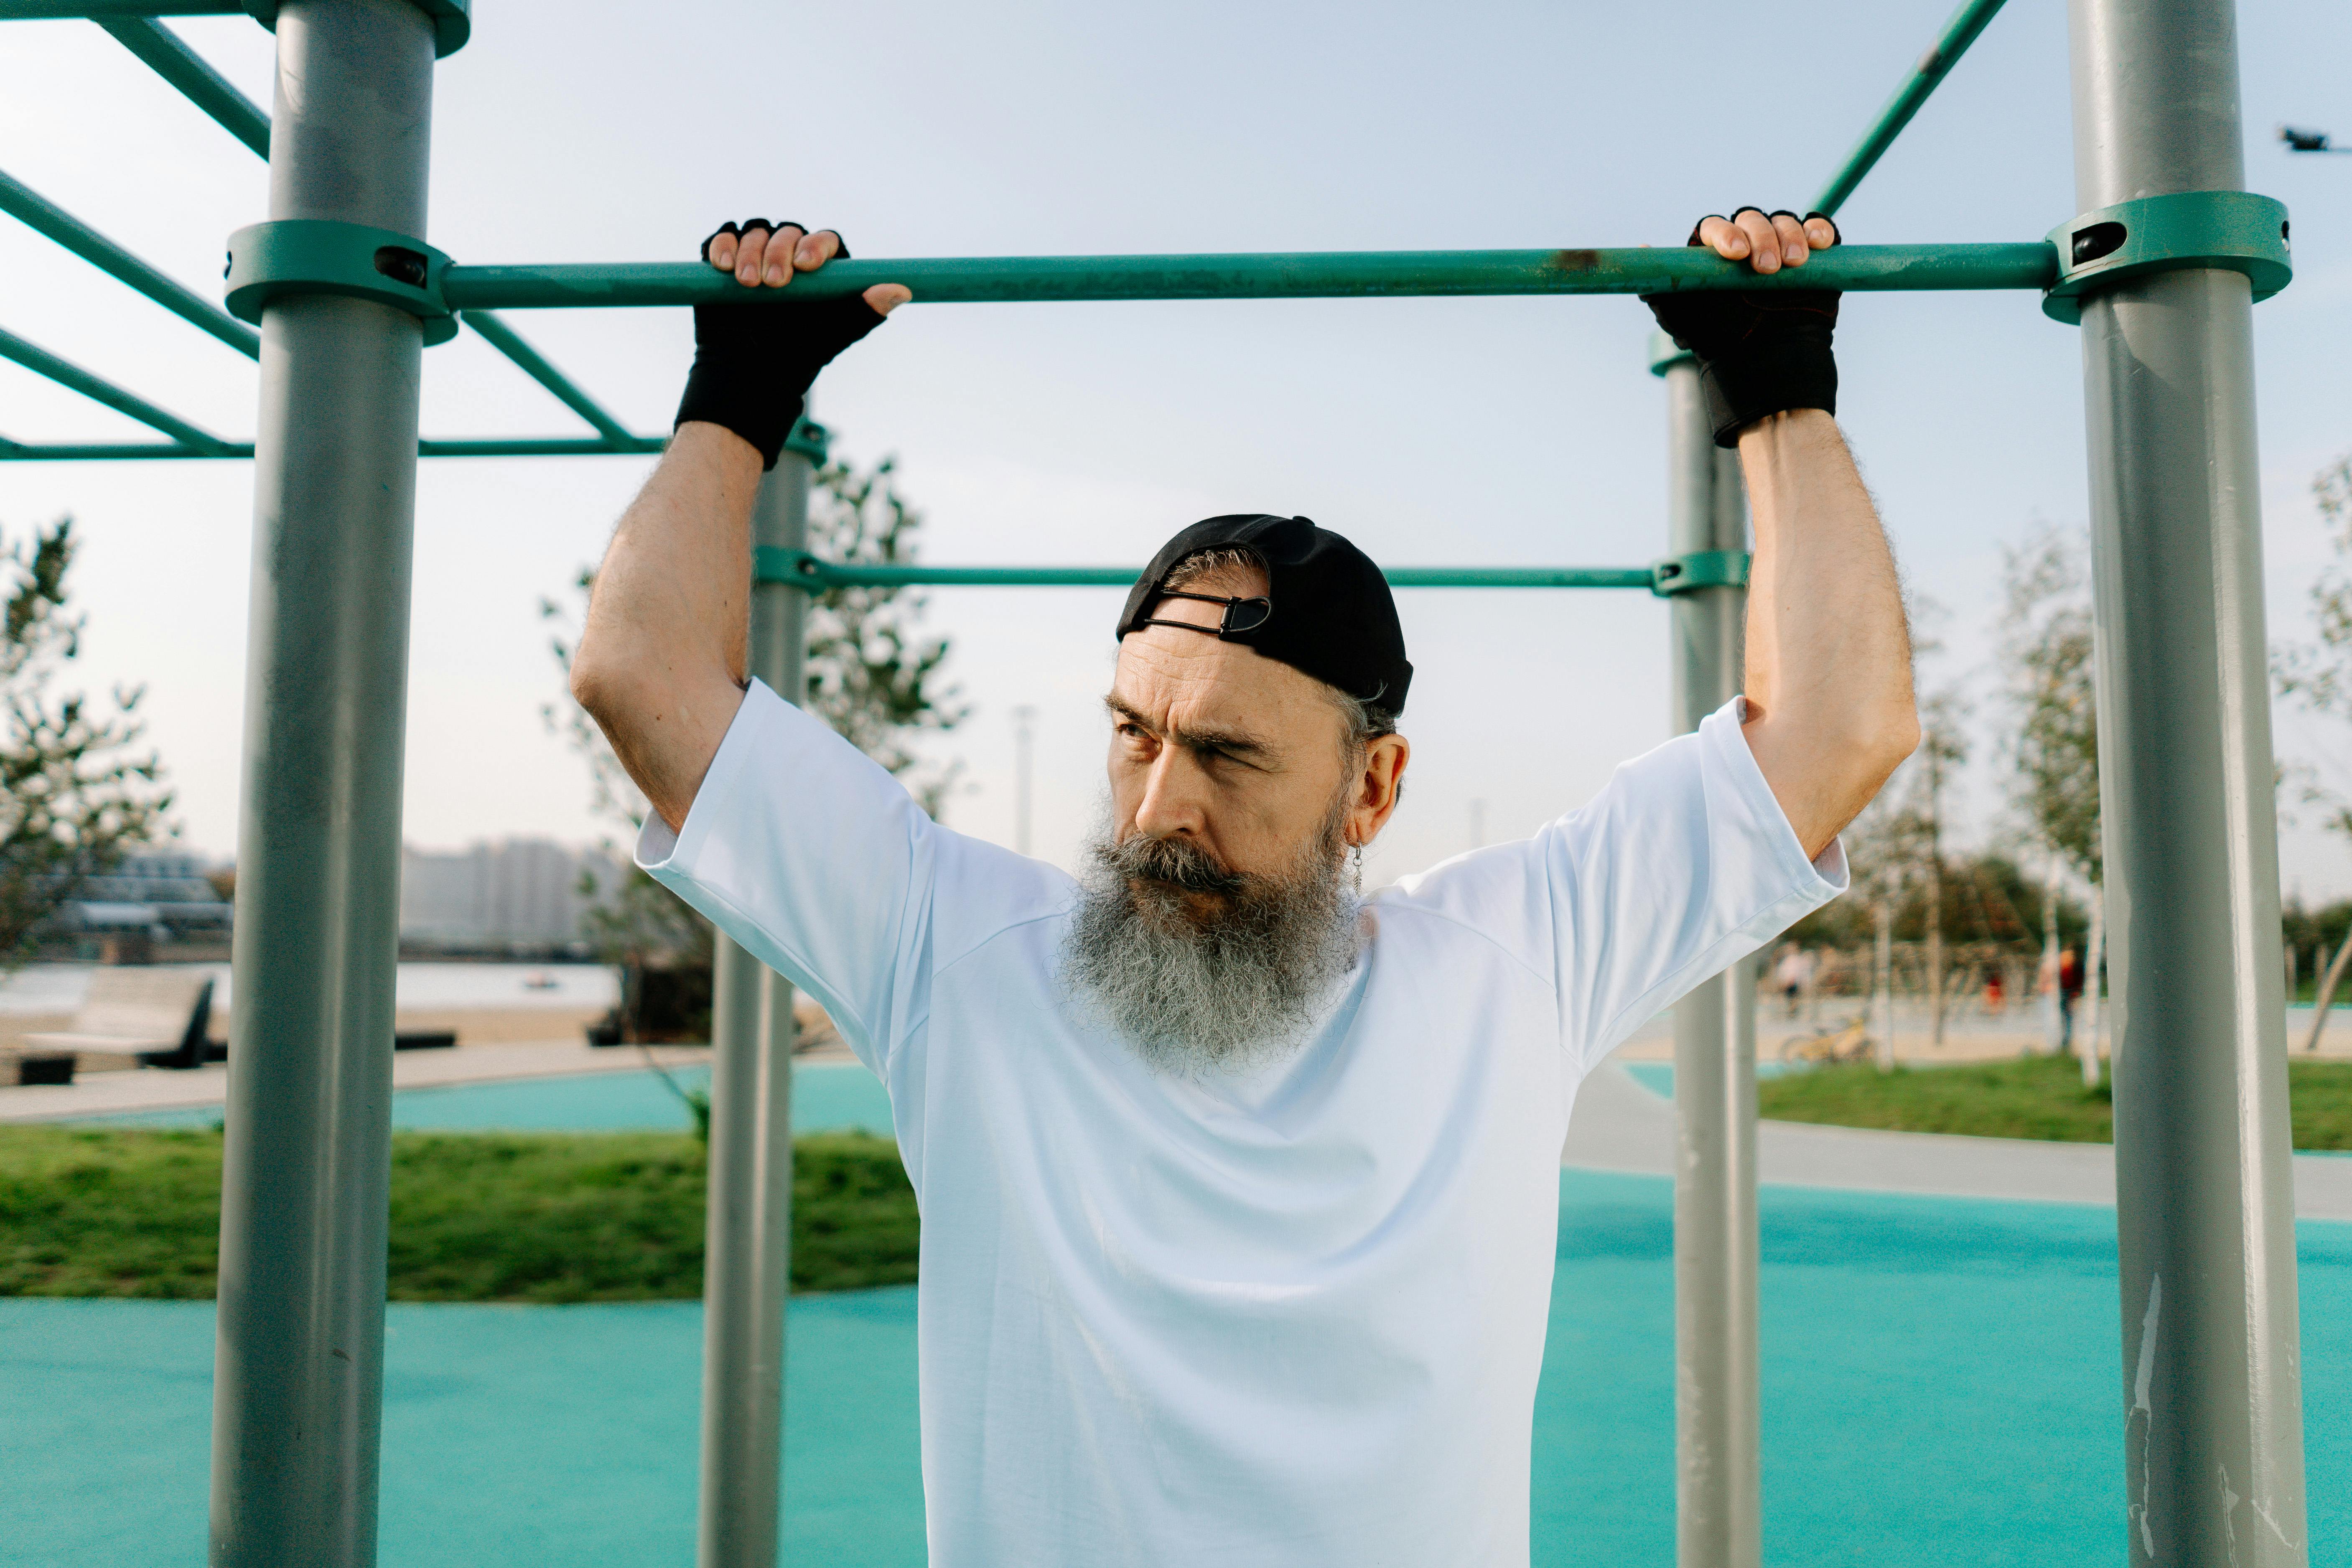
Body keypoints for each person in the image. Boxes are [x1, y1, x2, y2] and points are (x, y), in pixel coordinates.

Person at [570, 207, 1917, 1567]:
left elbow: (1836, 726)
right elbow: (641, 678)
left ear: (1371, 790)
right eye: (1132, 734)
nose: (1159, 808)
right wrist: (736, 396)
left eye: (1225, 753)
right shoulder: (957, 957)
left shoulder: (1511, 963)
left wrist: (1780, 392)